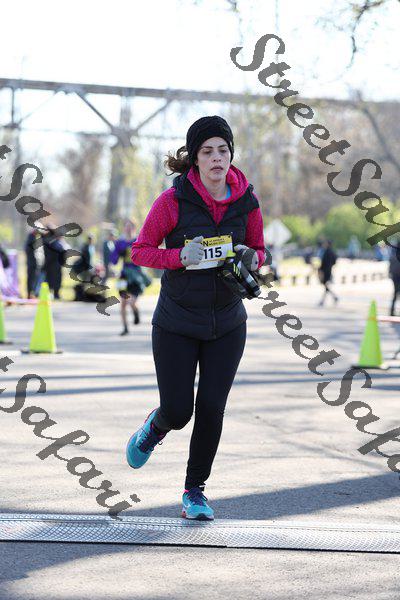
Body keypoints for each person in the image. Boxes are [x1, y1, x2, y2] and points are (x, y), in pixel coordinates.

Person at [126, 115, 266, 521]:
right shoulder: (173, 201)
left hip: (227, 322)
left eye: (223, 150)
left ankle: (194, 491)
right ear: (195, 158)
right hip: (177, 322)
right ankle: (155, 428)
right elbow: (140, 250)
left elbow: (260, 249)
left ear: (230, 155)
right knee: (178, 411)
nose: (217, 158)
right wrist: (178, 257)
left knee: (211, 408)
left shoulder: (247, 201)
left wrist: (252, 258)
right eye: (208, 151)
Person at [110, 220, 148, 335]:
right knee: (123, 303)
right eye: (126, 227)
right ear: (123, 229)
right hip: (124, 276)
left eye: (130, 227)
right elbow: (114, 260)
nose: (128, 229)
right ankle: (125, 327)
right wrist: (117, 252)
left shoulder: (138, 241)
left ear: (134, 228)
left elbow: (145, 256)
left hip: (136, 275)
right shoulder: (120, 242)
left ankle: (136, 312)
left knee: (132, 302)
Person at [318, 239, 338, 306]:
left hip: (325, 271)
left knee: (325, 285)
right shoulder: (332, 252)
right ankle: (332, 297)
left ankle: (331, 298)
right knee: (326, 286)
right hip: (329, 270)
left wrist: (320, 270)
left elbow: (323, 263)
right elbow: (335, 261)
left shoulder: (326, 252)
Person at [24, 229, 39, 298]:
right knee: (31, 279)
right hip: (31, 264)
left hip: (31, 263)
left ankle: (30, 294)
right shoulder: (31, 239)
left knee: (32, 279)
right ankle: (30, 294)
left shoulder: (30, 239)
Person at [389, 245, 400, 316]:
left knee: (395, 294)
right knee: (395, 294)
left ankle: (392, 311)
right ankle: (392, 311)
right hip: (397, 277)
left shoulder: (394, 254)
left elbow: (391, 265)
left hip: (395, 277)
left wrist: (390, 273)